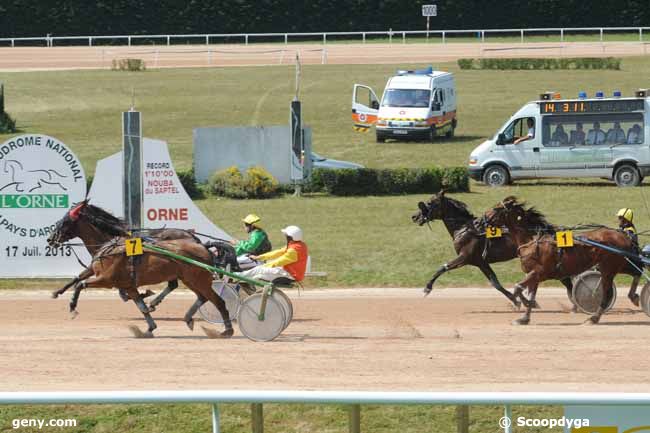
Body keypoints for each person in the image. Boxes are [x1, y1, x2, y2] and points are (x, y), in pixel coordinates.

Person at [238, 225, 308, 283]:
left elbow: (278, 262)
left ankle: (237, 275)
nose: (285, 236)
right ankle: (241, 279)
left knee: (259, 269)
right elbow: (277, 252)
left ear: (290, 237)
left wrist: (264, 266)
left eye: (286, 235)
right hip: (288, 272)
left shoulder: (293, 250)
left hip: (289, 275)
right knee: (257, 275)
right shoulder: (298, 245)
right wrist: (259, 257)